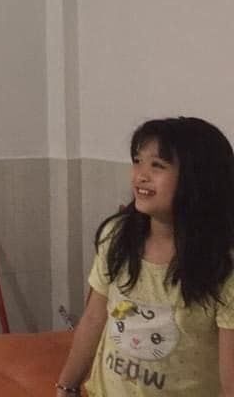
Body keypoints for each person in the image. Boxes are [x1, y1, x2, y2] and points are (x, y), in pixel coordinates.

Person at [55, 117, 234, 396]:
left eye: (157, 165)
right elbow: (93, 318)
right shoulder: (117, 237)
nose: (140, 175)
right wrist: (67, 385)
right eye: (138, 161)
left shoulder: (222, 265)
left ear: (199, 179)